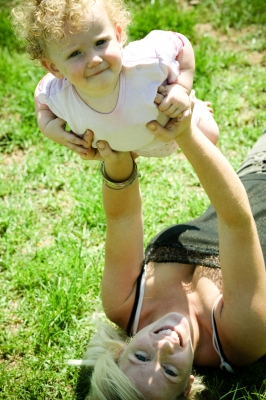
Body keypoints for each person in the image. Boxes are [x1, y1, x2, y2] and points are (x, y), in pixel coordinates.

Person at [67, 99, 266, 399]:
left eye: (141, 357)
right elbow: (236, 221)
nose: (165, 345)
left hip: (255, 169)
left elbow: (123, 217)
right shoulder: (242, 338)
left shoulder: (124, 301)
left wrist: (116, 160)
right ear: (187, 388)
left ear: (120, 351)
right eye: (170, 371)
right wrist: (186, 134)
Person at [11, 0, 219, 159]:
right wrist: (47, 127)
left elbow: (180, 43)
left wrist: (181, 87)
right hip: (133, 146)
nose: (94, 59)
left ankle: (196, 105)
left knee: (210, 135)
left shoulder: (146, 62)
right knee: (121, 166)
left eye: (100, 42)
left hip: (174, 116)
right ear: (54, 67)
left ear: (118, 36)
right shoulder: (59, 93)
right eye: (75, 54)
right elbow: (41, 95)